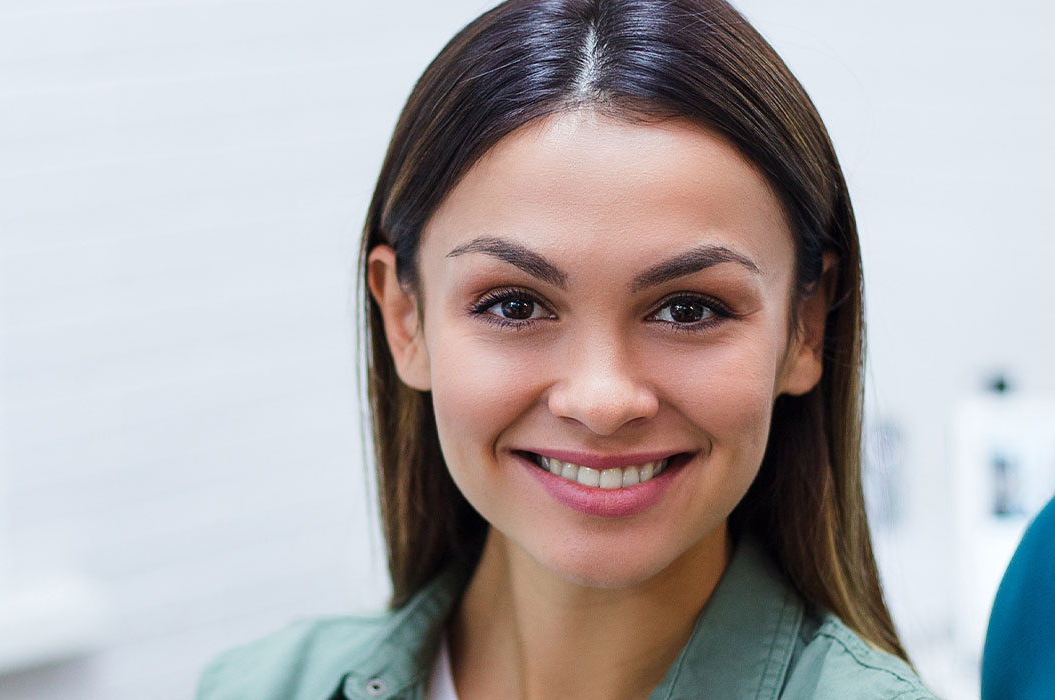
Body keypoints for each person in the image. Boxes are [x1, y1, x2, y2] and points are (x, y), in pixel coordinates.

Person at [201, 0, 940, 698]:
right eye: (514, 305)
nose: (602, 399)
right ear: (405, 319)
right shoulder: (257, 686)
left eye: (688, 309)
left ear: (805, 328)